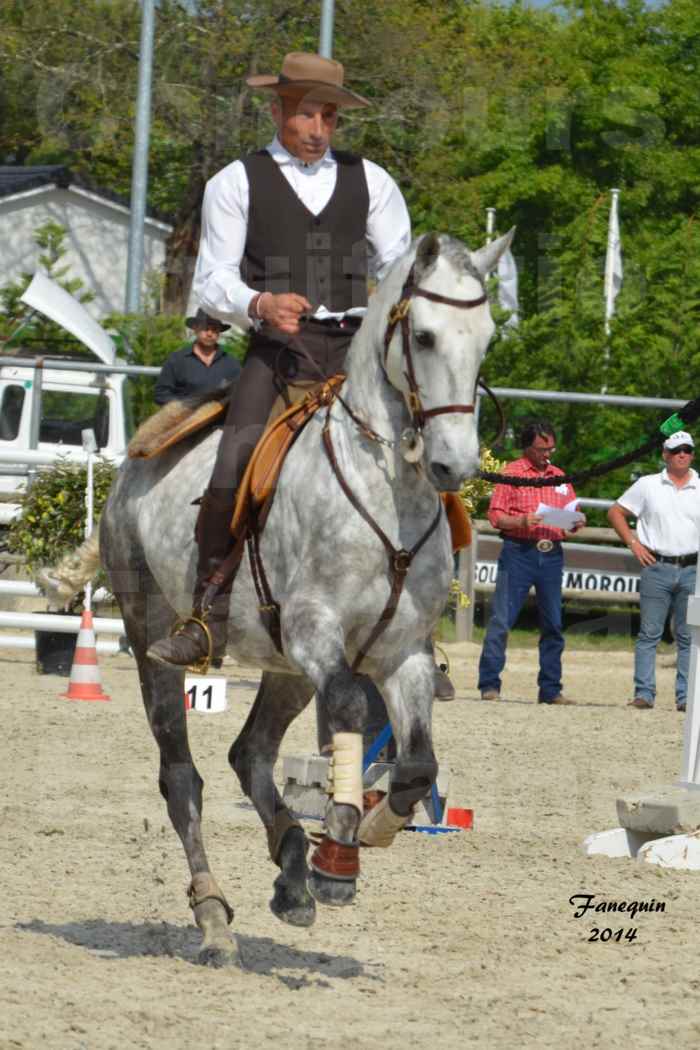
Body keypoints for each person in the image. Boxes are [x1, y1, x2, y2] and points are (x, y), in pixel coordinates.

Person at [147, 51, 412, 671]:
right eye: (306, 115)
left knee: (423, 463)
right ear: (277, 110)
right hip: (277, 351)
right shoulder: (236, 181)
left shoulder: (372, 180)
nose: (318, 128)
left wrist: (386, 303)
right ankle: (205, 614)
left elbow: (398, 266)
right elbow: (211, 281)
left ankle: (416, 623)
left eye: (328, 116)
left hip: (354, 354)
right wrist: (259, 301)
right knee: (233, 461)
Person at [477, 420, 586, 705]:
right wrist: (521, 521)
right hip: (519, 551)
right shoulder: (511, 473)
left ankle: (550, 689)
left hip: (551, 552)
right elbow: (496, 515)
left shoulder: (559, 476)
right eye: (541, 449)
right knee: (502, 619)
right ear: (528, 446)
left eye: (551, 448)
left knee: (553, 623)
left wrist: (576, 521)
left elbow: (572, 512)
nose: (547, 454)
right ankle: (489, 684)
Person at [608, 431, 700, 712]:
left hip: (693, 569)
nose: (681, 454)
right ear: (665, 454)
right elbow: (615, 512)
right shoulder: (647, 485)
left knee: (689, 636)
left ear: (693, 454)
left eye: (686, 449)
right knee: (649, 633)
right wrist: (634, 543)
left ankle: (686, 697)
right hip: (656, 566)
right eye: (675, 450)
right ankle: (644, 693)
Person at [153, 309, 241, 405]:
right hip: (185, 418)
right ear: (195, 329)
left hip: (221, 419)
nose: (210, 333)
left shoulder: (231, 364)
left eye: (214, 329)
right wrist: (184, 406)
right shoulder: (177, 360)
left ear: (219, 332)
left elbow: (240, 395)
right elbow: (161, 394)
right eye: (205, 328)